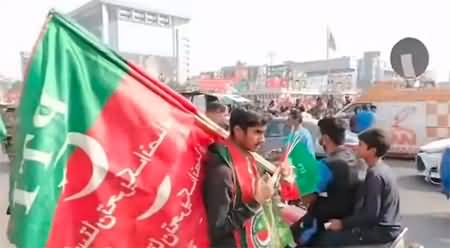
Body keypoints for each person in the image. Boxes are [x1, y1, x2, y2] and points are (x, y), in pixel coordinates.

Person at [203, 108, 291, 247]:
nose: (262, 139)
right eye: (257, 132)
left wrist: (279, 177)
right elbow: (219, 228)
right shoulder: (222, 172)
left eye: (264, 133)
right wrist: (255, 202)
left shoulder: (250, 159)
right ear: (238, 131)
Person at [312, 128, 401, 246]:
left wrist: (342, 224)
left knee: (326, 239)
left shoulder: (375, 175)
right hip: (386, 228)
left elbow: (370, 215)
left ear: (372, 150)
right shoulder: (383, 169)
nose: (355, 147)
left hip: (379, 232)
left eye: (360, 145)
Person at [293, 117, 365, 245]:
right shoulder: (357, 159)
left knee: (290, 237)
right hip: (350, 219)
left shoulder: (326, 165)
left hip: (324, 222)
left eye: (320, 137)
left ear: (325, 138)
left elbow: (307, 199)